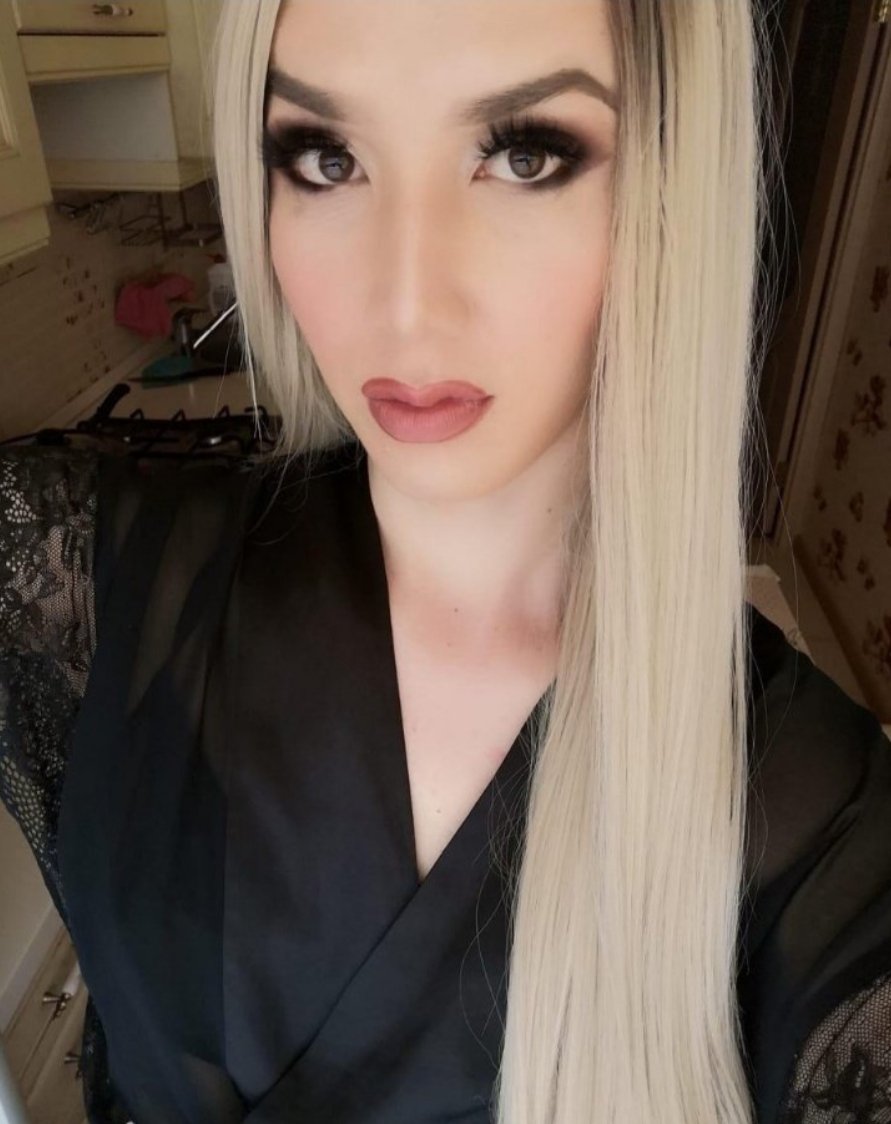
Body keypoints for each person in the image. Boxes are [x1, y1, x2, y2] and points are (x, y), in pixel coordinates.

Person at [1, 1, 890, 1122]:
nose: (406, 305)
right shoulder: (81, 573)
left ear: (670, 192)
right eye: (326, 158)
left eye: (524, 156)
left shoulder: (817, 828)